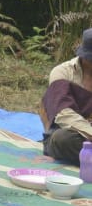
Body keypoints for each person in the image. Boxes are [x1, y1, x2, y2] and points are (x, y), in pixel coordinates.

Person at [41, 28, 92, 164]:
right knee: (61, 139)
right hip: (71, 133)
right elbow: (63, 114)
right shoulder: (62, 72)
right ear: (85, 57)